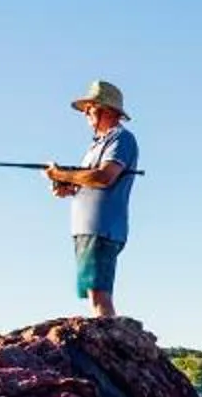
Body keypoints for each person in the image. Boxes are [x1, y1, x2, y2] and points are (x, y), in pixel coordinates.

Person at [45, 79, 139, 319]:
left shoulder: (121, 138)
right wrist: (68, 186)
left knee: (99, 294)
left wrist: (61, 174)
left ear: (107, 110)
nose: (85, 113)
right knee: (92, 292)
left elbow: (104, 177)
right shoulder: (96, 145)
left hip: (102, 227)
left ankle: (111, 351)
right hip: (85, 229)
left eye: (90, 107)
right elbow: (89, 181)